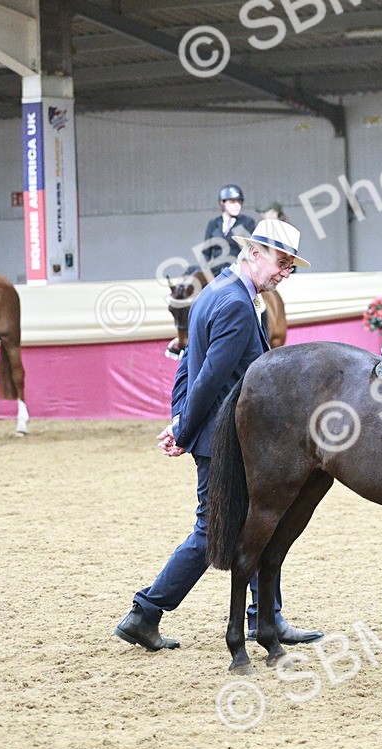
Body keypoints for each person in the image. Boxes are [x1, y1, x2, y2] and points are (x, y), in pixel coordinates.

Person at [115, 218, 322, 651]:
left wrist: (177, 419)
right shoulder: (235, 304)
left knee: (261, 520)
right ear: (254, 254)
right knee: (213, 530)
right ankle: (145, 612)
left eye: (290, 267)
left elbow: (187, 364)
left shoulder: (216, 294)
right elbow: (207, 378)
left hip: (218, 431)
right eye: (282, 263)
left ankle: (265, 615)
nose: (285, 273)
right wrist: (184, 431)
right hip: (224, 436)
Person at [200, 184, 256, 276]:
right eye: (232, 202)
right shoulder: (213, 224)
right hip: (216, 273)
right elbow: (206, 252)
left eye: (239, 202)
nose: (237, 205)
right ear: (222, 203)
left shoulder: (247, 222)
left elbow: (249, 250)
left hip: (238, 272)